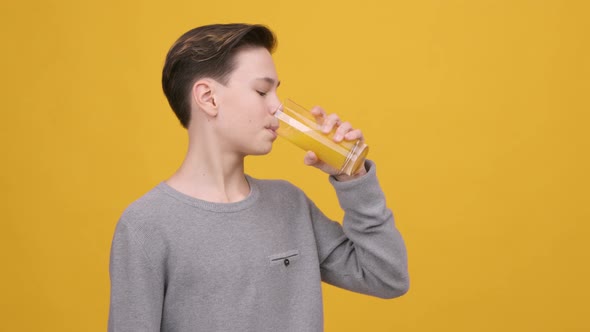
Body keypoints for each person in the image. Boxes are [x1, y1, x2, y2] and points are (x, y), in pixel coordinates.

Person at [108, 23, 409, 332]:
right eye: (262, 91)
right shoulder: (145, 225)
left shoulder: (290, 204)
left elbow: (387, 277)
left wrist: (353, 177)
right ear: (208, 98)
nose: (277, 106)